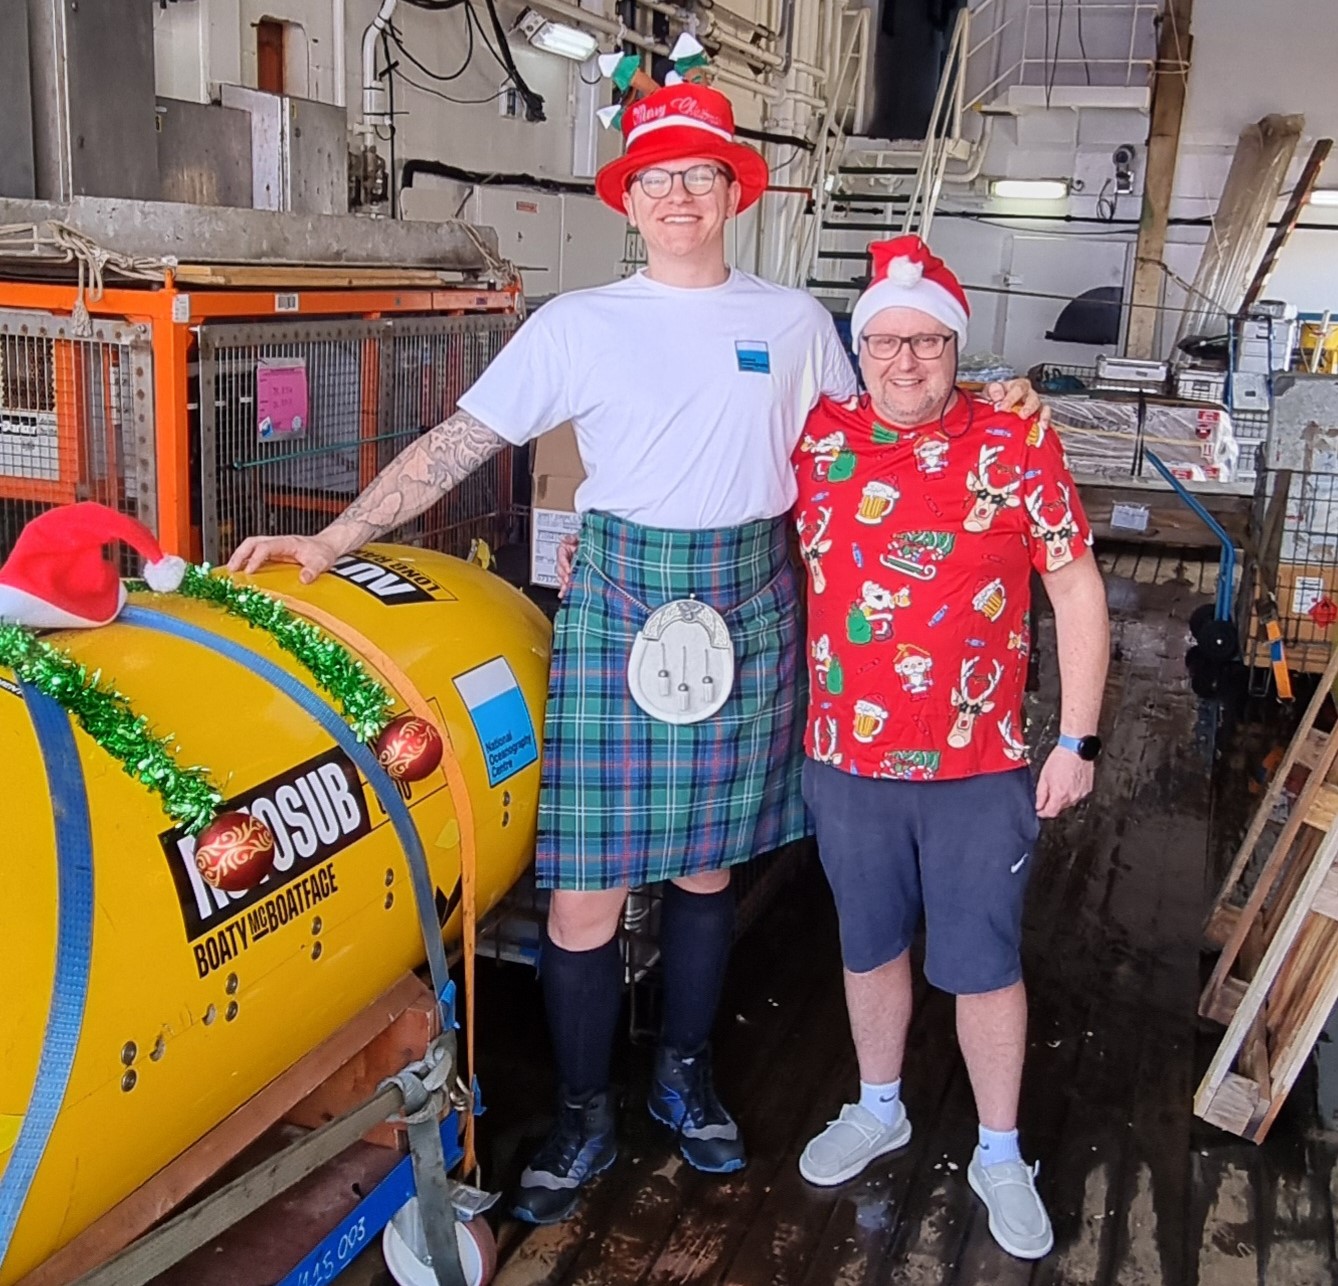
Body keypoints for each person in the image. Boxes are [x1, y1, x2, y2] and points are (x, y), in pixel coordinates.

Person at [228, 84, 1041, 1226]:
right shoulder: (577, 323)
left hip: (751, 598)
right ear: (628, 199)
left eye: (699, 175)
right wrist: (333, 536)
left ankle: (684, 1073)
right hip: (620, 602)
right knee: (584, 898)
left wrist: (997, 404)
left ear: (732, 194)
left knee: (709, 871)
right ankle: (578, 1109)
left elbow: (887, 433)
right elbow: (462, 438)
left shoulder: (797, 322)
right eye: (655, 177)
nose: (677, 195)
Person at [791, 235, 1109, 1262]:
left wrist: (1078, 736)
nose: (905, 359)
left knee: (983, 961)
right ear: (860, 346)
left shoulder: (1016, 440)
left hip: (980, 763)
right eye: (885, 339)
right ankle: (880, 1103)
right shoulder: (813, 436)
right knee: (868, 944)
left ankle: (1001, 1150)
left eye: (927, 339)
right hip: (846, 757)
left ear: (956, 347)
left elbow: (1075, 589)